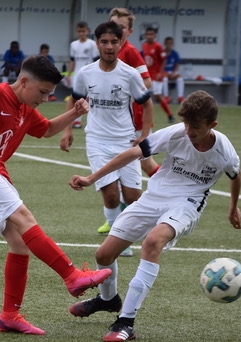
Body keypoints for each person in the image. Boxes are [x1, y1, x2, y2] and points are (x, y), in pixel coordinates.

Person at [0, 55, 112, 335]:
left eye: (49, 94)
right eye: (42, 92)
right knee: (24, 216)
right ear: (23, 81)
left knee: (19, 242)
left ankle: (9, 316)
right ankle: (72, 275)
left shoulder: (25, 109)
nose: (45, 99)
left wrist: (74, 113)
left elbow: (46, 130)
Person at [68, 90, 241, 342]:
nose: (189, 131)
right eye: (186, 124)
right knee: (103, 255)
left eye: (195, 126)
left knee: (152, 243)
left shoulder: (224, 151)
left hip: (186, 204)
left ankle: (126, 322)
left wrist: (233, 207)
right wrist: (91, 178)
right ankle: (108, 300)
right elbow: (133, 153)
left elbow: (235, 176)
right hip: (153, 198)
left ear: (212, 125)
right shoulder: (176, 133)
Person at [60, 21, 154, 258]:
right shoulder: (86, 73)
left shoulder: (130, 74)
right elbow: (74, 101)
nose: (109, 46)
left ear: (121, 43)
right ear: (97, 44)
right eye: (104, 42)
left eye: (114, 42)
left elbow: (147, 103)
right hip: (97, 140)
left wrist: (144, 135)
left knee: (132, 197)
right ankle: (117, 237)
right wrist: (67, 130)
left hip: (125, 141)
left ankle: (133, 230)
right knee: (111, 194)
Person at [95, 7, 160, 242]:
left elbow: (147, 82)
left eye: (121, 27)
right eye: (113, 24)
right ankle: (116, 217)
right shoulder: (111, 50)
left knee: (143, 165)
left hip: (134, 122)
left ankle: (167, 195)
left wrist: (128, 93)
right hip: (118, 123)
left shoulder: (130, 52)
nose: (117, 30)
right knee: (125, 170)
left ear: (129, 31)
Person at [66, 21, 97, 128]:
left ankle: (92, 121)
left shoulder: (92, 44)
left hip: (90, 73)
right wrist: (69, 75)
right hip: (77, 74)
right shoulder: (73, 45)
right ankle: (76, 120)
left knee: (91, 97)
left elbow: (96, 60)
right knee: (76, 97)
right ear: (76, 31)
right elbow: (72, 61)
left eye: (83, 31)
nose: (81, 33)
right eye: (79, 31)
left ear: (87, 31)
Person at [141, 26, 175, 123]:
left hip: (156, 76)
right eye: (148, 34)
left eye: (151, 34)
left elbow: (164, 60)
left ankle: (170, 115)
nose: (150, 36)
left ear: (155, 36)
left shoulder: (158, 46)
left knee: (157, 96)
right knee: (142, 95)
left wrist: (160, 73)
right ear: (145, 36)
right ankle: (142, 117)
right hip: (148, 75)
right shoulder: (144, 45)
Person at [162, 36, 184, 103]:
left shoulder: (175, 53)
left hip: (172, 72)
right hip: (164, 72)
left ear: (172, 44)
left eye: (170, 43)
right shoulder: (162, 53)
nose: (169, 45)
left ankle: (180, 97)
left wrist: (174, 73)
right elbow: (160, 65)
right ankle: (166, 97)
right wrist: (165, 73)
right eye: (167, 43)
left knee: (180, 77)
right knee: (164, 78)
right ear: (165, 44)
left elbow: (177, 65)